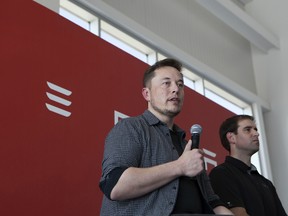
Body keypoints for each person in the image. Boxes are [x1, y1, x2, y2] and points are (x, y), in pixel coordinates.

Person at [99, 58, 233, 215]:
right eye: (166, 83)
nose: (175, 89)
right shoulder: (131, 128)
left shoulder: (187, 147)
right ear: (147, 94)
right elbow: (116, 186)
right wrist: (180, 167)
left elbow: (211, 200)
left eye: (180, 84)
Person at [209, 115, 287, 216]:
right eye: (247, 130)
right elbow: (237, 214)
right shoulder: (221, 173)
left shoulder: (267, 183)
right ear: (231, 137)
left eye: (255, 129)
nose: (256, 133)